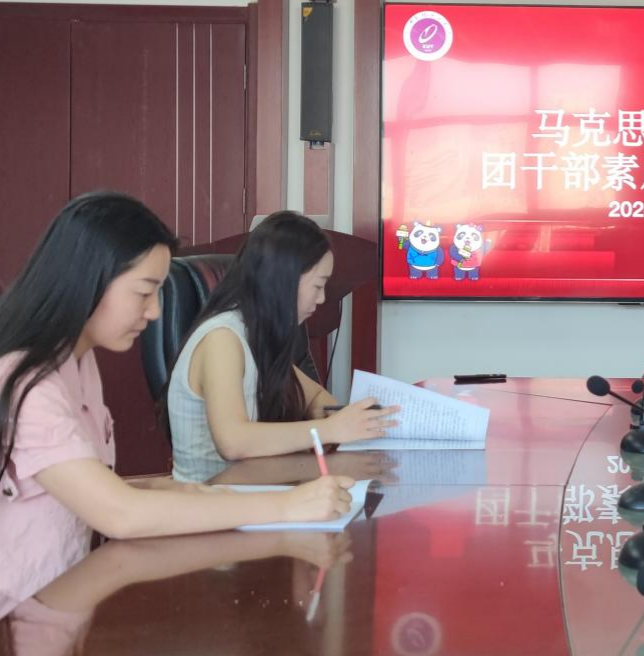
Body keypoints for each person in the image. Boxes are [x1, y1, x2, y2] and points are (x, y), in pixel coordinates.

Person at [0, 192, 354, 610]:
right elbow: (119, 514)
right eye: (144, 292)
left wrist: (177, 489)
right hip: (20, 614)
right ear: (88, 280)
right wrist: (287, 506)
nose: (154, 312)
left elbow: (76, 487)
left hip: (68, 597)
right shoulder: (31, 385)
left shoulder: (78, 363)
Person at [166, 211, 397, 482]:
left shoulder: (256, 335)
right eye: (318, 285)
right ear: (284, 280)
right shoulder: (222, 338)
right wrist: (329, 429)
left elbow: (314, 396)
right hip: (209, 497)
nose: (321, 299)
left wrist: (338, 417)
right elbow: (233, 441)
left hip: (254, 486)